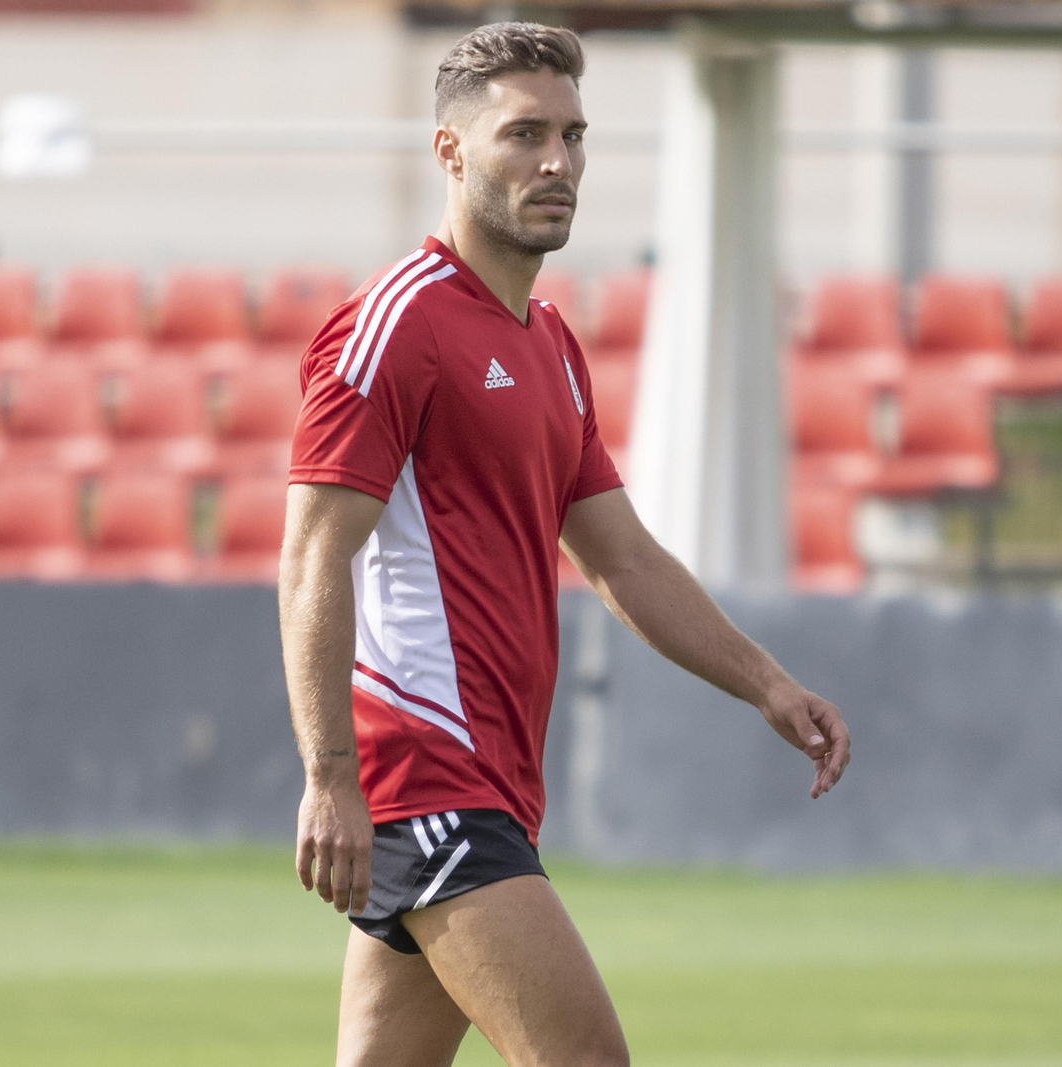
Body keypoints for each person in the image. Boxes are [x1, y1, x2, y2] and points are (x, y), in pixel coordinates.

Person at [277, 21, 851, 1066]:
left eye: (573, 135)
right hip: (427, 774)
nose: (558, 161)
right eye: (524, 134)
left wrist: (768, 683)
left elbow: (622, 558)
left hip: (493, 781)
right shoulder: (394, 324)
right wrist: (329, 776)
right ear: (451, 151)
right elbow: (314, 553)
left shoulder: (550, 345)